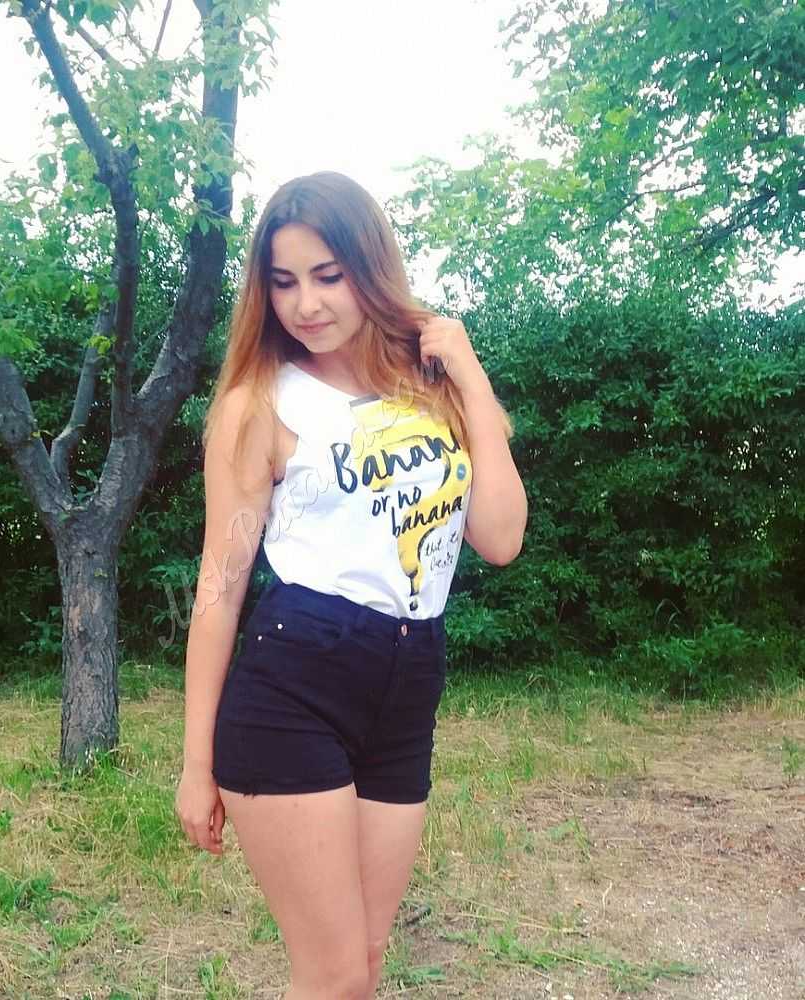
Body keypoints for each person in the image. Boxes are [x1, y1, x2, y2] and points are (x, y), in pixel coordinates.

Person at [175, 171, 527, 999]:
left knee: (362, 970)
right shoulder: (259, 404)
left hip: (407, 680)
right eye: (284, 280)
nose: (305, 303)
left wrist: (470, 377)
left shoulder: (430, 386)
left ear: (370, 267)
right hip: (295, 678)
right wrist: (195, 763)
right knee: (331, 977)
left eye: (327, 275)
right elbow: (220, 586)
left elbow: (500, 538)